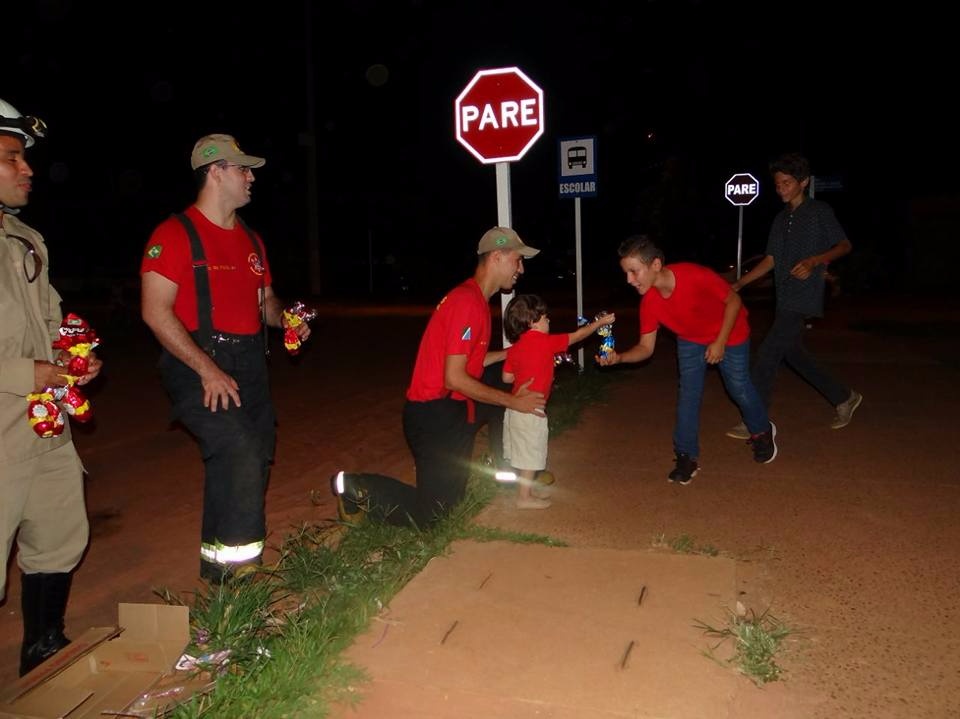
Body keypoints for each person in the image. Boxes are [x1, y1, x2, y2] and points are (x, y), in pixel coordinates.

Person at [140, 134, 309, 583]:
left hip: (250, 365)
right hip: (198, 363)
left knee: (250, 456)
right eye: (242, 169)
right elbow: (154, 311)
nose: (251, 177)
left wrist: (286, 318)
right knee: (240, 452)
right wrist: (206, 369)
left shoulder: (252, 241)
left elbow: (266, 302)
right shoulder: (174, 234)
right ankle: (243, 587)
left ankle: (219, 572)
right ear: (215, 171)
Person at [331, 227, 547, 526]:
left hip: (454, 406)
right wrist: (514, 402)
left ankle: (514, 468)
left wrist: (515, 354)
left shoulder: (477, 301)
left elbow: (472, 363)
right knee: (435, 515)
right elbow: (455, 378)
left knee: (507, 374)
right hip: (434, 416)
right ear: (497, 257)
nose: (521, 269)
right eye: (518, 260)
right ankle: (358, 488)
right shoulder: (466, 303)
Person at [0, 98, 103, 675]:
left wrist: (74, 359)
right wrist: (22, 373)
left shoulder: (26, 240)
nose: (27, 169)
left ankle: (42, 649)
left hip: (43, 425)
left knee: (60, 532)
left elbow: (54, 323)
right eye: (12, 157)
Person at [597, 235, 776, 484]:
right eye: (626, 273)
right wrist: (620, 358)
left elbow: (734, 301)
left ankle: (762, 432)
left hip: (730, 331)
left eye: (634, 272)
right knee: (689, 394)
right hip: (691, 338)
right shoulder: (649, 302)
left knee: (739, 387)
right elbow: (646, 348)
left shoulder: (693, 275)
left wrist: (720, 342)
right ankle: (686, 456)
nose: (629, 280)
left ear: (656, 265)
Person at [726, 153, 861, 440]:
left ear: (803, 182)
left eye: (787, 183)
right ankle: (844, 397)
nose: (782, 189)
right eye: (777, 185)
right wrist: (740, 284)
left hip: (805, 294)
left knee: (767, 353)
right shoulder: (780, 219)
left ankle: (755, 421)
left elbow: (844, 245)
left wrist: (814, 261)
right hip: (785, 296)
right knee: (794, 354)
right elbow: (771, 259)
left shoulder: (819, 211)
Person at [501, 294, 614, 508]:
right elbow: (577, 336)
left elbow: (506, 377)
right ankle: (523, 498)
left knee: (523, 450)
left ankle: (528, 490)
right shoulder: (544, 342)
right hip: (532, 409)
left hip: (514, 407)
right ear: (532, 321)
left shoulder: (515, 348)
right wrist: (600, 323)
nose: (549, 321)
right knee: (531, 452)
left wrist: (525, 372)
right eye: (545, 318)